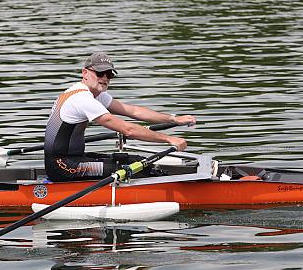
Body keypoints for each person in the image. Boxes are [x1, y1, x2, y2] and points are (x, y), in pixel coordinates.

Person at [44, 52, 196, 182]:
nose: (104, 78)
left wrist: (173, 119)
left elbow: (133, 111)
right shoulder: (82, 99)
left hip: (74, 159)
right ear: (85, 73)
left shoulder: (95, 95)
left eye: (109, 74)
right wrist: (169, 139)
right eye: (99, 73)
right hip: (62, 166)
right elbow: (128, 129)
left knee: (136, 161)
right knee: (135, 168)